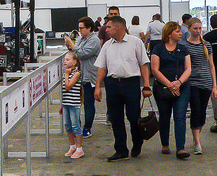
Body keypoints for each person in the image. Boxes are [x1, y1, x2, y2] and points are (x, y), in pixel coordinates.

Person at [94, 16, 151, 161]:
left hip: (131, 84)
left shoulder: (135, 42)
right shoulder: (107, 45)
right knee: (116, 118)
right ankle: (121, 149)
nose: (106, 30)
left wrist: (146, 85)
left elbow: (144, 64)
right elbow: (102, 67)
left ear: (119, 27)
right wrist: (97, 87)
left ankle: (137, 143)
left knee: (133, 117)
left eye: (109, 27)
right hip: (112, 84)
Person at [151, 21, 192, 159]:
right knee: (164, 116)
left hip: (182, 87)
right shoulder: (158, 49)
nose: (181, 34)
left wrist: (179, 83)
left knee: (180, 116)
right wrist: (169, 85)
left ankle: (180, 148)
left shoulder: (184, 49)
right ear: (169, 34)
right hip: (162, 88)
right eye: (177, 31)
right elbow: (155, 69)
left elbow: (188, 69)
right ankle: (165, 143)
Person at [181, 17, 216, 154]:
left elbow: (211, 65)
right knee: (195, 109)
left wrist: (214, 86)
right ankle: (197, 142)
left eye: (200, 28)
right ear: (189, 29)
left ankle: (197, 135)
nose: (198, 31)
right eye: (195, 28)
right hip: (192, 82)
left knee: (202, 112)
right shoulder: (185, 46)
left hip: (206, 82)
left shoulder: (206, 44)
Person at [64, 16, 101, 137]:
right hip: (79, 76)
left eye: (82, 28)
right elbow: (75, 53)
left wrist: (72, 44)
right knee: (76, 103)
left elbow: (83, 54)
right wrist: (70, 45)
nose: (80, 31)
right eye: (79, 28)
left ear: (89, 28)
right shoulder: (81, 39)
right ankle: (78, 127)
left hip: (89, 77)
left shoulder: (94, 40)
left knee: (89, 104)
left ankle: (87, 128)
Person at [61, 52, 84, 159]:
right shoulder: (66, 73)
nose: (65, 62)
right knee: (67, 125)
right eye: (65, 59)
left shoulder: (77, 73)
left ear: (74, 62)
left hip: (74, 104)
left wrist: (66, 75)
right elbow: (63, 91)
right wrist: (62, 104)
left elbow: (68, 86)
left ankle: (79, 148)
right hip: (66, 103)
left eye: (67, 60)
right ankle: (72, 146)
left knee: (75, 125)